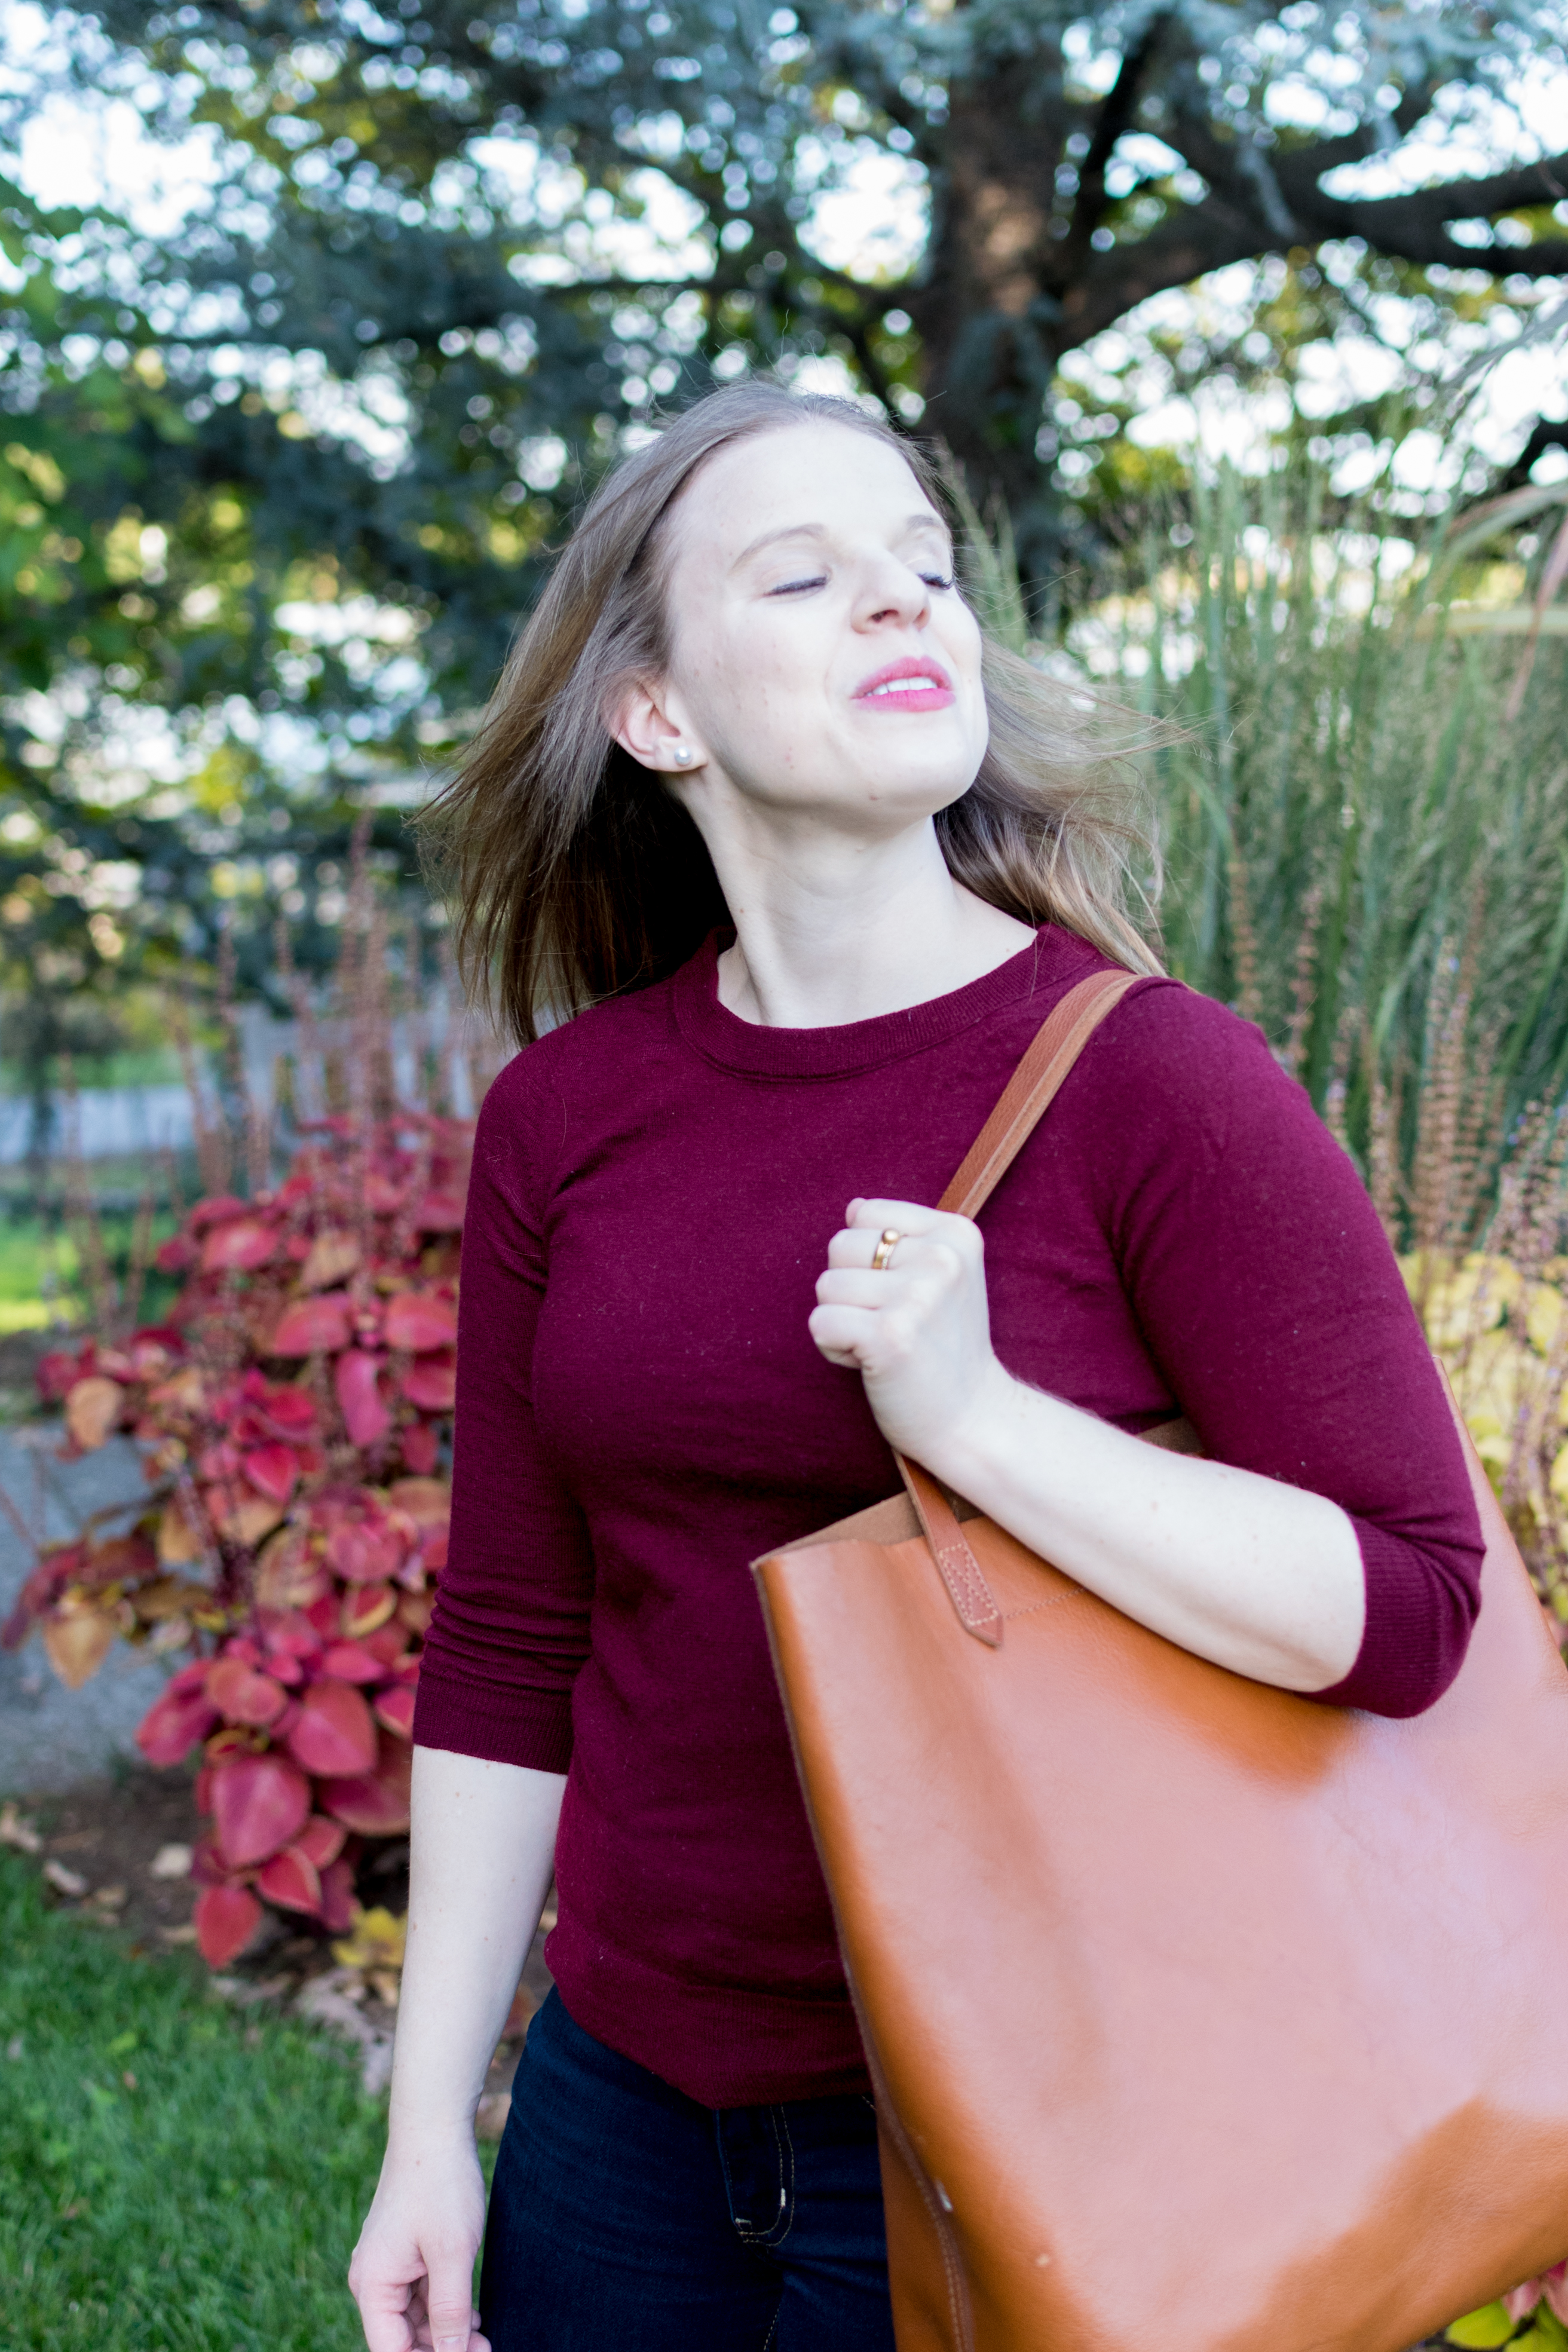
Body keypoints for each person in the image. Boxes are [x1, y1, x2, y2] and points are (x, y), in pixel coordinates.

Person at [347, 382, 1484, 2352]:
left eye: (926, 571)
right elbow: (512, 1635)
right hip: (627, 2108)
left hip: (1034, 2112)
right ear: (659, 716)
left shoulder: (1161, 1085)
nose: (906, 610)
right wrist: (433, 2124)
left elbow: (1407, 1607)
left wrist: (975, 1423)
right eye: (806, 577)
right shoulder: (568, 1115)